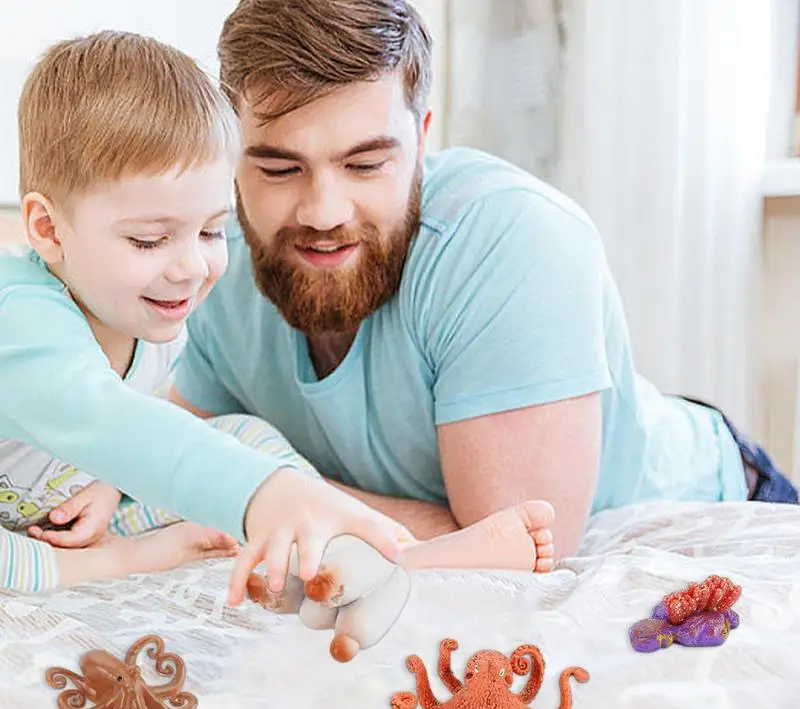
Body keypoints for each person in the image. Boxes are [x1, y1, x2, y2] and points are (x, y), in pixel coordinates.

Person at [162, 0, 797, 565]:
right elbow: (165, 458)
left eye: (365, 164)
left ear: (421, 139)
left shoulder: (511, 240)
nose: (323, 212)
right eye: (278, 168)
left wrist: (262, 488)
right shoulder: (222, 256)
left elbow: (510, 555)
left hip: (695, 512)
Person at [0, 31, 554, 597]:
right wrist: (266, 493)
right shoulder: (17, 321)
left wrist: (113, 481)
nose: (191, 266)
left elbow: (145, 428)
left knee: (241, 437)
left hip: (58, 512)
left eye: (213, 230)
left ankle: (396, 556)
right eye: (149, 240)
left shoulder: (146, 306)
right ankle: (118, 564)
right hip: (21, 540)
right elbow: (106, 419)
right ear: (47, 229)